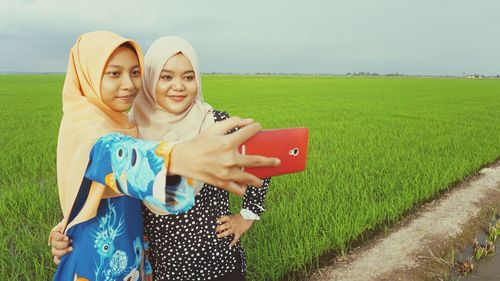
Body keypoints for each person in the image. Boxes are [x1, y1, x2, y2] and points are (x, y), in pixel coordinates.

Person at [50, 31, 279, 281]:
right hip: (161, 268)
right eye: (165, 76)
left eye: (188, 77)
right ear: (151, 80)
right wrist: (71, 226)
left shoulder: (214, 124)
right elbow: (110, 166)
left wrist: (246, 215)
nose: (178, 86)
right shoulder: (133, 129)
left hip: (218, 263)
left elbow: (261, 161)